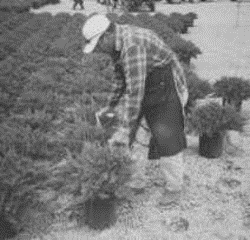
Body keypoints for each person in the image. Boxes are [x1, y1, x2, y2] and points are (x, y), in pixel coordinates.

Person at [82, 14, 189, 206]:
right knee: (136, 139)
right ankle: (136, 183)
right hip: (147, 85)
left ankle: (175, 188)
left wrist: (123, 128)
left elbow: (135, 91)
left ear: (107, 35)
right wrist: (110, 105)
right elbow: (120, 78)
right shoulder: (117, 44)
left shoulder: (132, 46)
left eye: (98, 45)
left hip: (167, 86)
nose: (98, 50)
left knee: (167, 139)